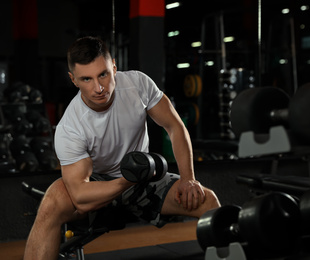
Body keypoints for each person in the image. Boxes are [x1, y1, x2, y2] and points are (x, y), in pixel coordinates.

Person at [23, 36, 220, 260]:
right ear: (73, 80)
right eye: (86, 79)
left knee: (208, 200)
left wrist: (188, 178)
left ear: (114, 67)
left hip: (144, 179)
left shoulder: (137, 84)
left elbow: (174, 126)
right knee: (51, 203)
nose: (98, 88)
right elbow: (79, 194)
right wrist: (127, 179)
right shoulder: (71, 126)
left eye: (103, 74)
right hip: (101, 184)